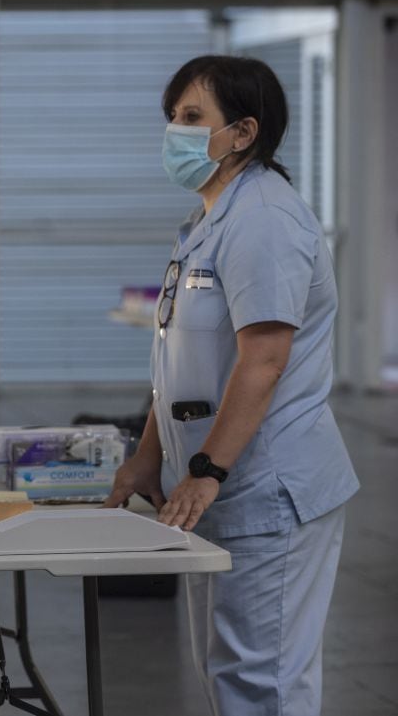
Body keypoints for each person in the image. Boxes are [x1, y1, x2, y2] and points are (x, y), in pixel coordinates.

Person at [103, 55, 359, 716]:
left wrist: (209, 467)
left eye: (193, 118)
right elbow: (182, 362)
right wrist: (149, 454)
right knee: (228, 671)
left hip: (265, 483)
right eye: (173, 117)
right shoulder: (207, 222)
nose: (175, 131)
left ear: (243, 132)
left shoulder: (265, 220)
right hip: (215, 481)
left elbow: (264, 360)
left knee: (262, 681)